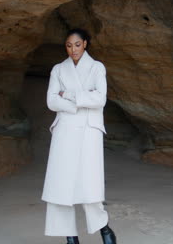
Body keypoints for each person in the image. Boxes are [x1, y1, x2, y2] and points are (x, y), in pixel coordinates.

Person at [41, 28, 117, 244]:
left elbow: (100, 99)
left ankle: (105, 230)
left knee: (89, 184)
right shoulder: (58, 69)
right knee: (61, 185)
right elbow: (51, 101)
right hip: (64, 130)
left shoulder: (96, 67)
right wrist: (80, 103)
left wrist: (70, 95)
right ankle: (70, 238)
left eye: (76, 44)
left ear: (85, 44)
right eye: (68, 45)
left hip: (88, 131)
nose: (72, 49)